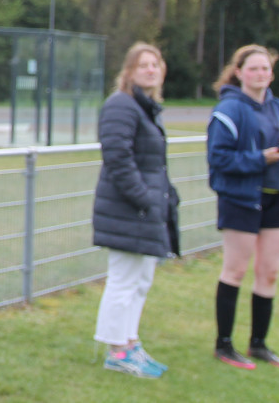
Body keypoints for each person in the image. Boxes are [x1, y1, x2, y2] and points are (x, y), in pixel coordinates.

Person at [91, 42, 179, 378]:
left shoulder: (145, 107)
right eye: (143, 65)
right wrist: (144, 198)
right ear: (128, 71)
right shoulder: (121, 105)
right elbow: (118, 158)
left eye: (155, 64)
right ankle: (117, 350)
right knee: (123, 280)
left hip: (146, 211)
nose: (150, 69)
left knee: (141, 279)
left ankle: (130, 341)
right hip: (128, 210)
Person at [207, 44, 279, 370]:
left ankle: (259, 345)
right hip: (241, 199)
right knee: (236, 270)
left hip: (277, 199)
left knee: (269, 272)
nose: (260, 74)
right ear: (239, 72)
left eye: (265, 68)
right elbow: (219, 158)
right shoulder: (229, 109)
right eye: (253, 68)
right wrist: (261, 158)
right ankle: (224, 345)